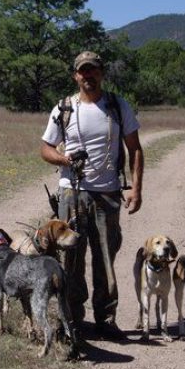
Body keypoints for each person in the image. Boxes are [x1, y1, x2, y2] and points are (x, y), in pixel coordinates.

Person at [41, 50, 144, 340]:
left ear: (101, 73)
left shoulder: (117, 105)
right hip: (72, 194)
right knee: (71, 259)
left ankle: (106, 320)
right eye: (82, 71)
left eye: (93, 70)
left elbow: (135, 148)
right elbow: (45, 148)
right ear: (76, 75)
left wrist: (136, 188)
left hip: (108, 194)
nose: (88, 75)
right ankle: (72, 319)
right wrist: (64, 159)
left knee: (106, 258)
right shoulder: (63, 108)